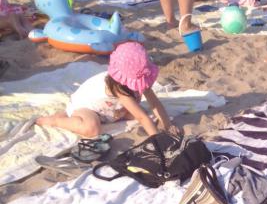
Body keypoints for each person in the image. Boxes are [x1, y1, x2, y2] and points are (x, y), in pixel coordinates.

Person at [36, 42, 173, 138]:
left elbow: (154, 103)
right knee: (91, 129)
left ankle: (110, 116)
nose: (143, 83)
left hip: (112, 110)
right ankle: (57, 120)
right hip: (87, 108)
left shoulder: (141, 78)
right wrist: (157, 140)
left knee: (144, 113)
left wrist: (168, 126)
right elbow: (142, 118)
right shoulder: (119, 88)